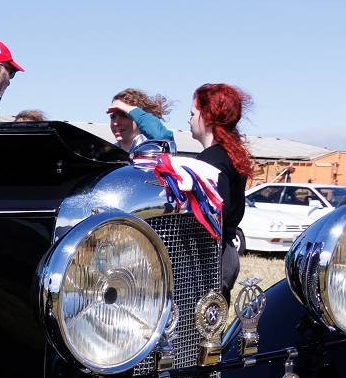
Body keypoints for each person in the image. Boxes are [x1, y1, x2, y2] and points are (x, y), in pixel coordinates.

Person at [188, 83, 253, 301]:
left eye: (192, 114)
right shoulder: (230, 156)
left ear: (207, 116)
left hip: (210, 258)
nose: (188, 120)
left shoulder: (210, 161)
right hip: (226, 254)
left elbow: (212, 219)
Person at [106, 89, 174, 152]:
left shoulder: (152, 149)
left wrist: (133, 111)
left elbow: (162, 138)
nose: (116, 123)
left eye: (124, 116)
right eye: (113, 117)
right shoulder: (106, 154)